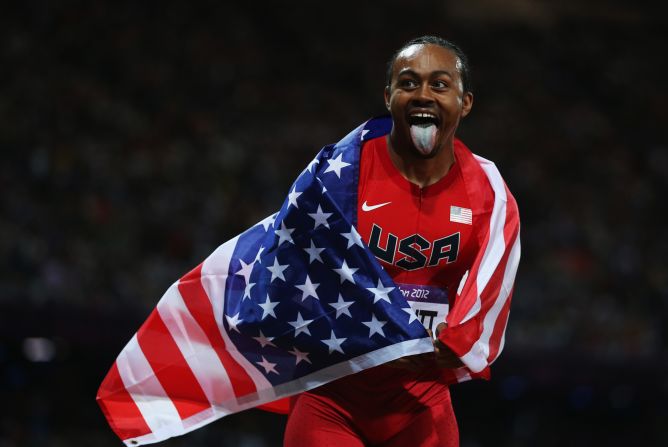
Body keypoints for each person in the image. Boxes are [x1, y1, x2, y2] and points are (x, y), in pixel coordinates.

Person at [283, 36, 520, 447]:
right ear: (388, 95)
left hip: (421, 399)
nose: (423, 95)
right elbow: (292, 266)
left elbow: (491, 283)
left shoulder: (488, 190)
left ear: (465, 103)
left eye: (440, 85)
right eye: (409, 83)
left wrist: (459, 338)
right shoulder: (341, 173)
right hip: (332, 396)